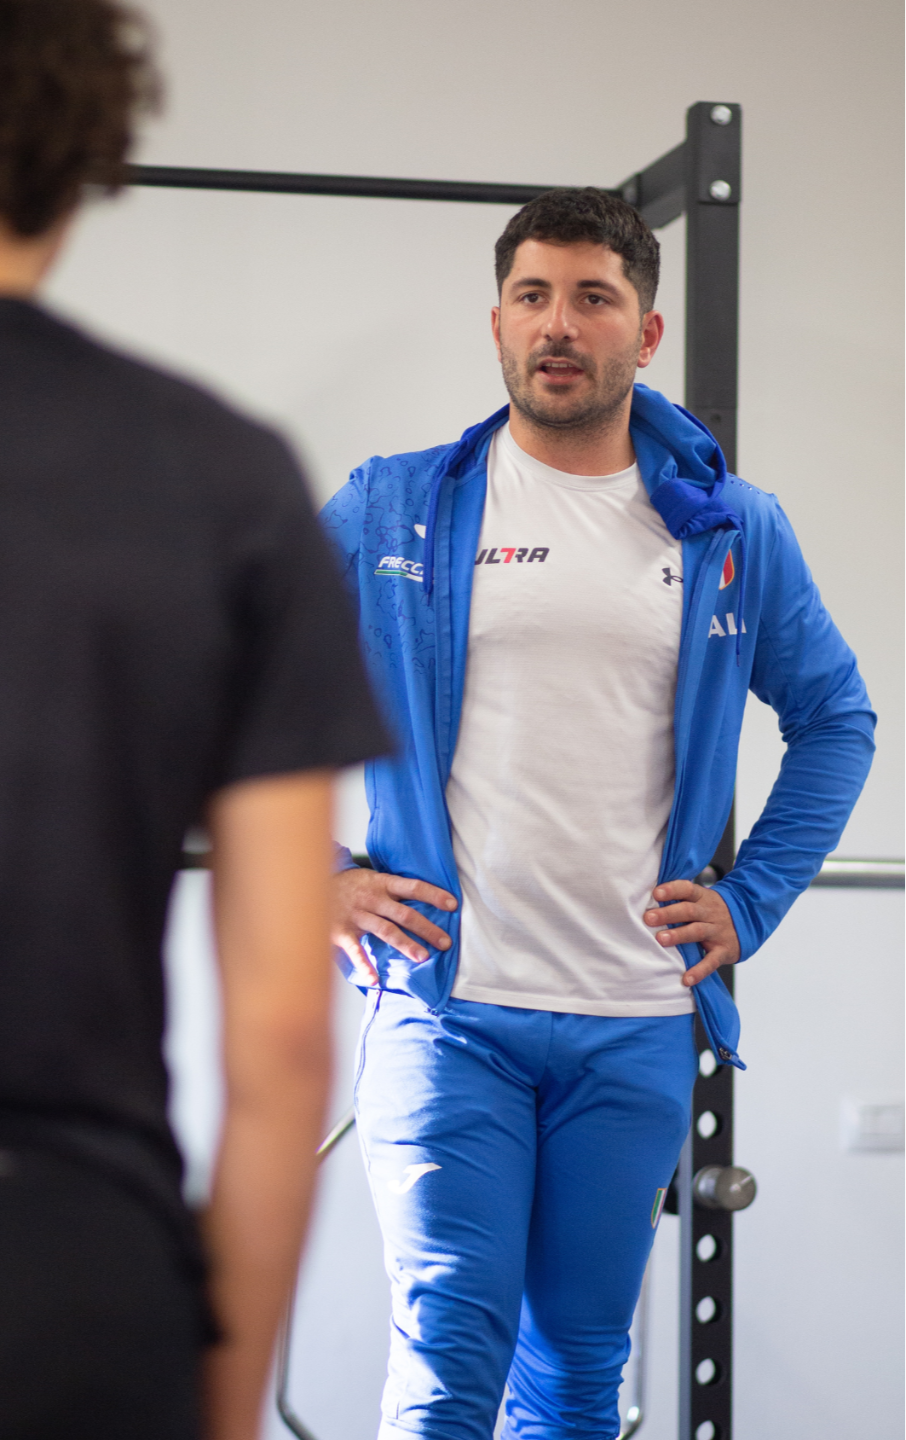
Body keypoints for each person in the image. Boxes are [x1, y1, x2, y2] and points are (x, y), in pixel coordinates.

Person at [325, 187, 875, 1439]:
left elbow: (836, 720)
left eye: (592, 298)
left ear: (647, 331)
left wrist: (752, 900)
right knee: (450, 1353)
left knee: (577, 1370)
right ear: (497, 322)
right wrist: (317, 872)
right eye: (532, 296)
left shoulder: (732, 528)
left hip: (633, 1017)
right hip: (448, 1009)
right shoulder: (394, 506)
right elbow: (233, 674)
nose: (558, 325)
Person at [0, 3, 387, 1438]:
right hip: (70, 1282)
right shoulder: (219, 482)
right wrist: (218, 1410)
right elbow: (281, 1038)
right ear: (80, 153)